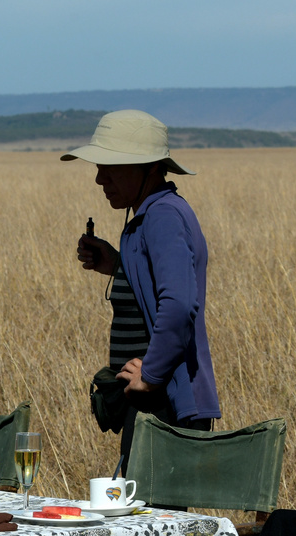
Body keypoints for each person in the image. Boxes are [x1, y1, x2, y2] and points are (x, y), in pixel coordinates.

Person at [68, 110, 221, 468]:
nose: (99, 177)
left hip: (164, 406)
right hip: (152, 403)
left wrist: (150, 377)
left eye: (112, 166)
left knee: (154, 522)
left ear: (150, 168)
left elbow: (180, 304)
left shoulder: (163, 217)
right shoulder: (150, 215)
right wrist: (117, 266)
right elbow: (157, 289)